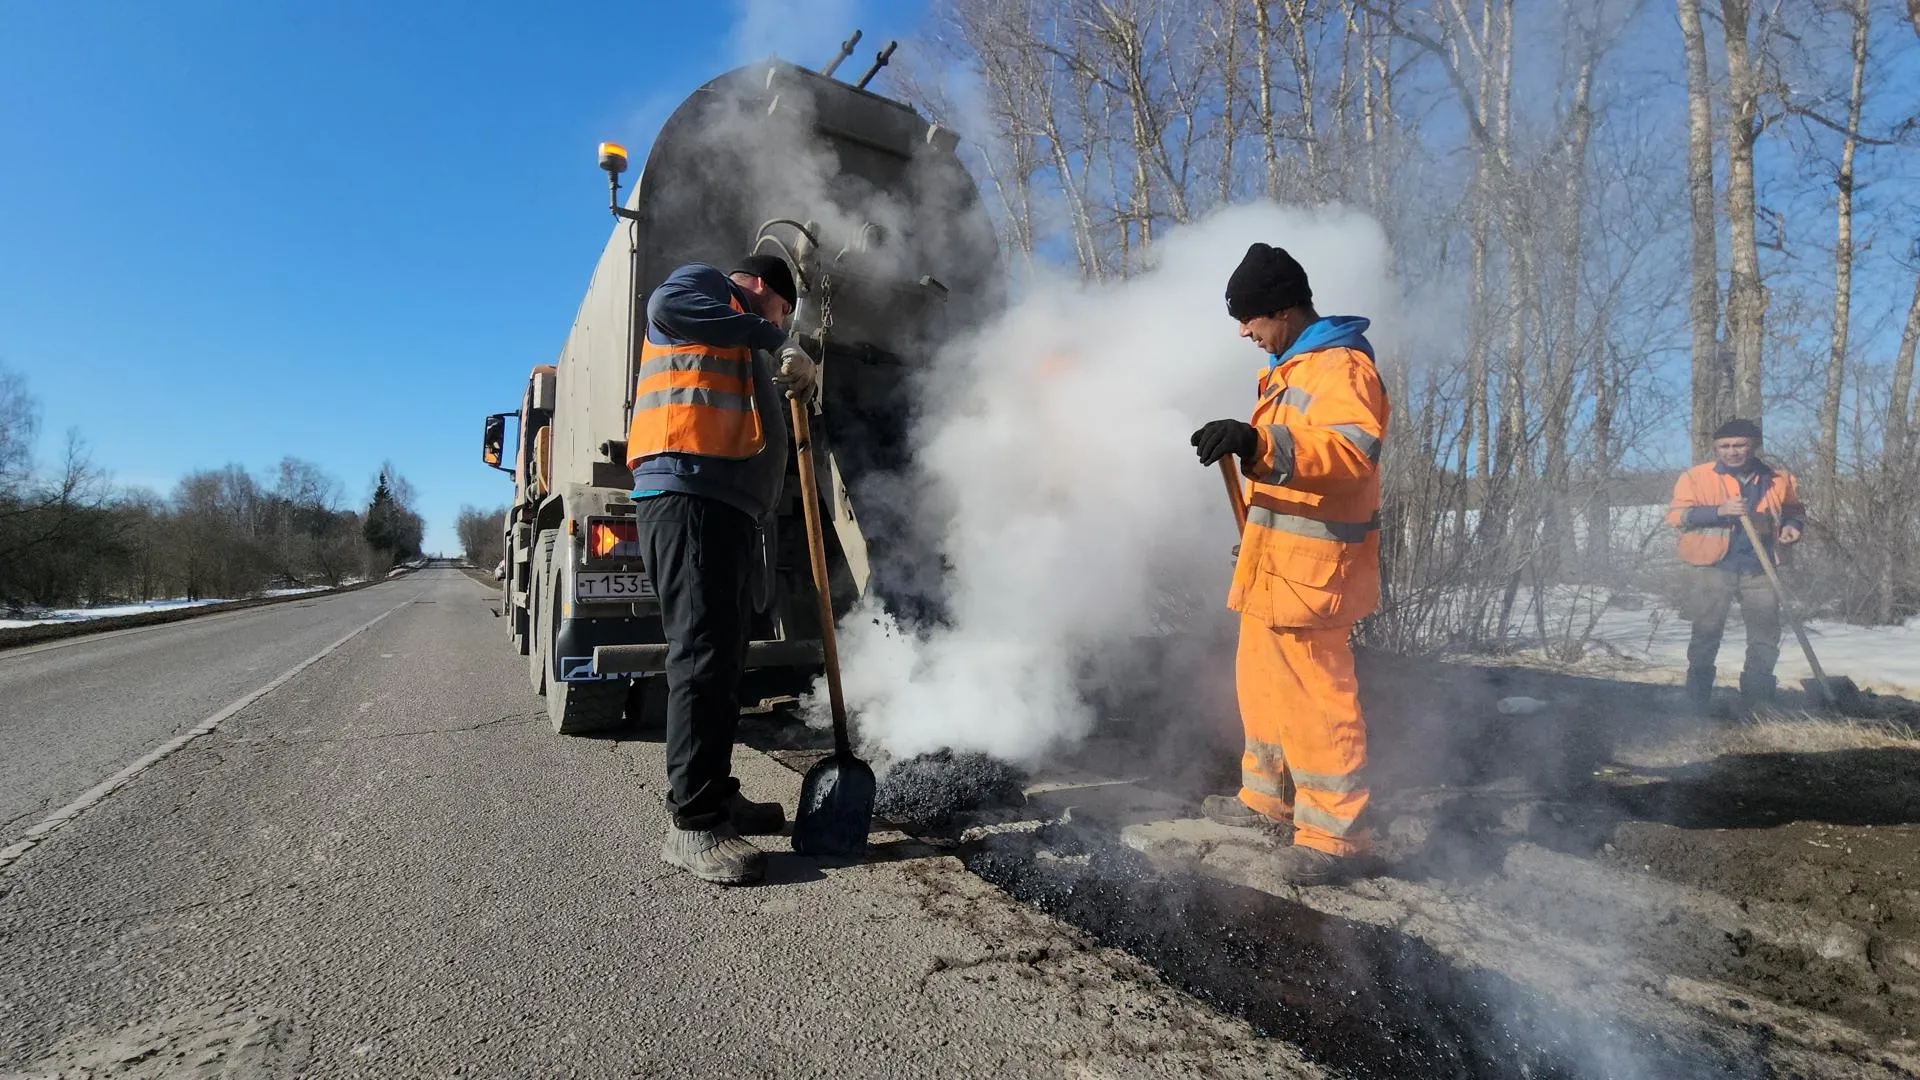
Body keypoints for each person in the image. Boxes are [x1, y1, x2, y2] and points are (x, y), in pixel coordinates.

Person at [1189, 243, 1389, 887]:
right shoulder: (1287, 371)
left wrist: (1257, 440)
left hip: (1315, 575)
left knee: (1316, 701)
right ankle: (1267, 802)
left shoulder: (1342, 369)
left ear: (1283, 308)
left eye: (1249, 319)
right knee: (1264, 689)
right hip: (1275, 568)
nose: (1243, 331)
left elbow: (1348, 455)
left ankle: (1335, 836)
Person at [625, 254, 818, 885]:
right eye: (784, 308)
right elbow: (664, 308)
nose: (782, 321)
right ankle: (693, 826)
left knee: (726, 657)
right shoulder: (706, 285)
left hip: (726, 507)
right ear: (763, 287)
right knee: (703, 653)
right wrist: (775, 337)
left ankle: (716, 793)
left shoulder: (739, 335)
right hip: (686, 492)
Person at [1665, 418, 1804, 713]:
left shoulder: (1778, 478)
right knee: (1706, 630)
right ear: (1716, 448)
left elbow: (1793, 508)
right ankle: (1697, 697)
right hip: (1713, 565)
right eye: (1724, 446)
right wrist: (1719, 511)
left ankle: (1757, 696)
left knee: (1765, 633)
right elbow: (1677, 516)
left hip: (1761, 566)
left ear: (1753, 446)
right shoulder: (1696, 477)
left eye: (1739, 445)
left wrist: (1793, 526)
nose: (1732, 451)